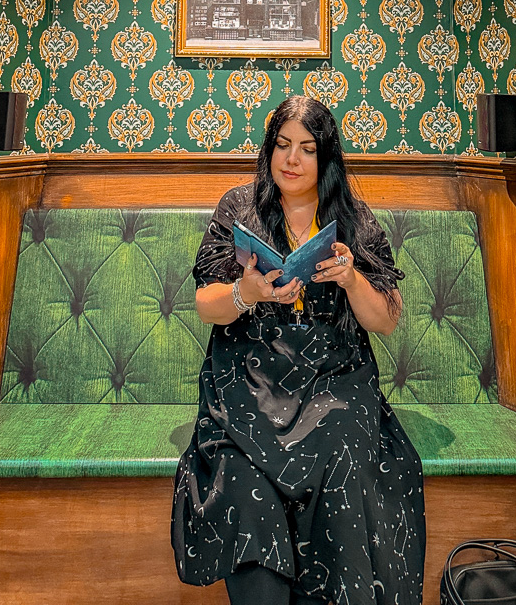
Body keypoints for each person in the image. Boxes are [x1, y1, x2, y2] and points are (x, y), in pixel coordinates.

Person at [171, 95, 425, 605]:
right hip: (247, 382)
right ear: (268, 151)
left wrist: (352, 279)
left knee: (346, 456)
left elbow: (388, 320)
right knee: (241, 481)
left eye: (307, 149)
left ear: (326, 158)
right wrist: (248, 293)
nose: (291, 160)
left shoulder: (352, 218)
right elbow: (205, 304)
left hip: (334, 382)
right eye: (282, 146)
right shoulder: (239, 208)